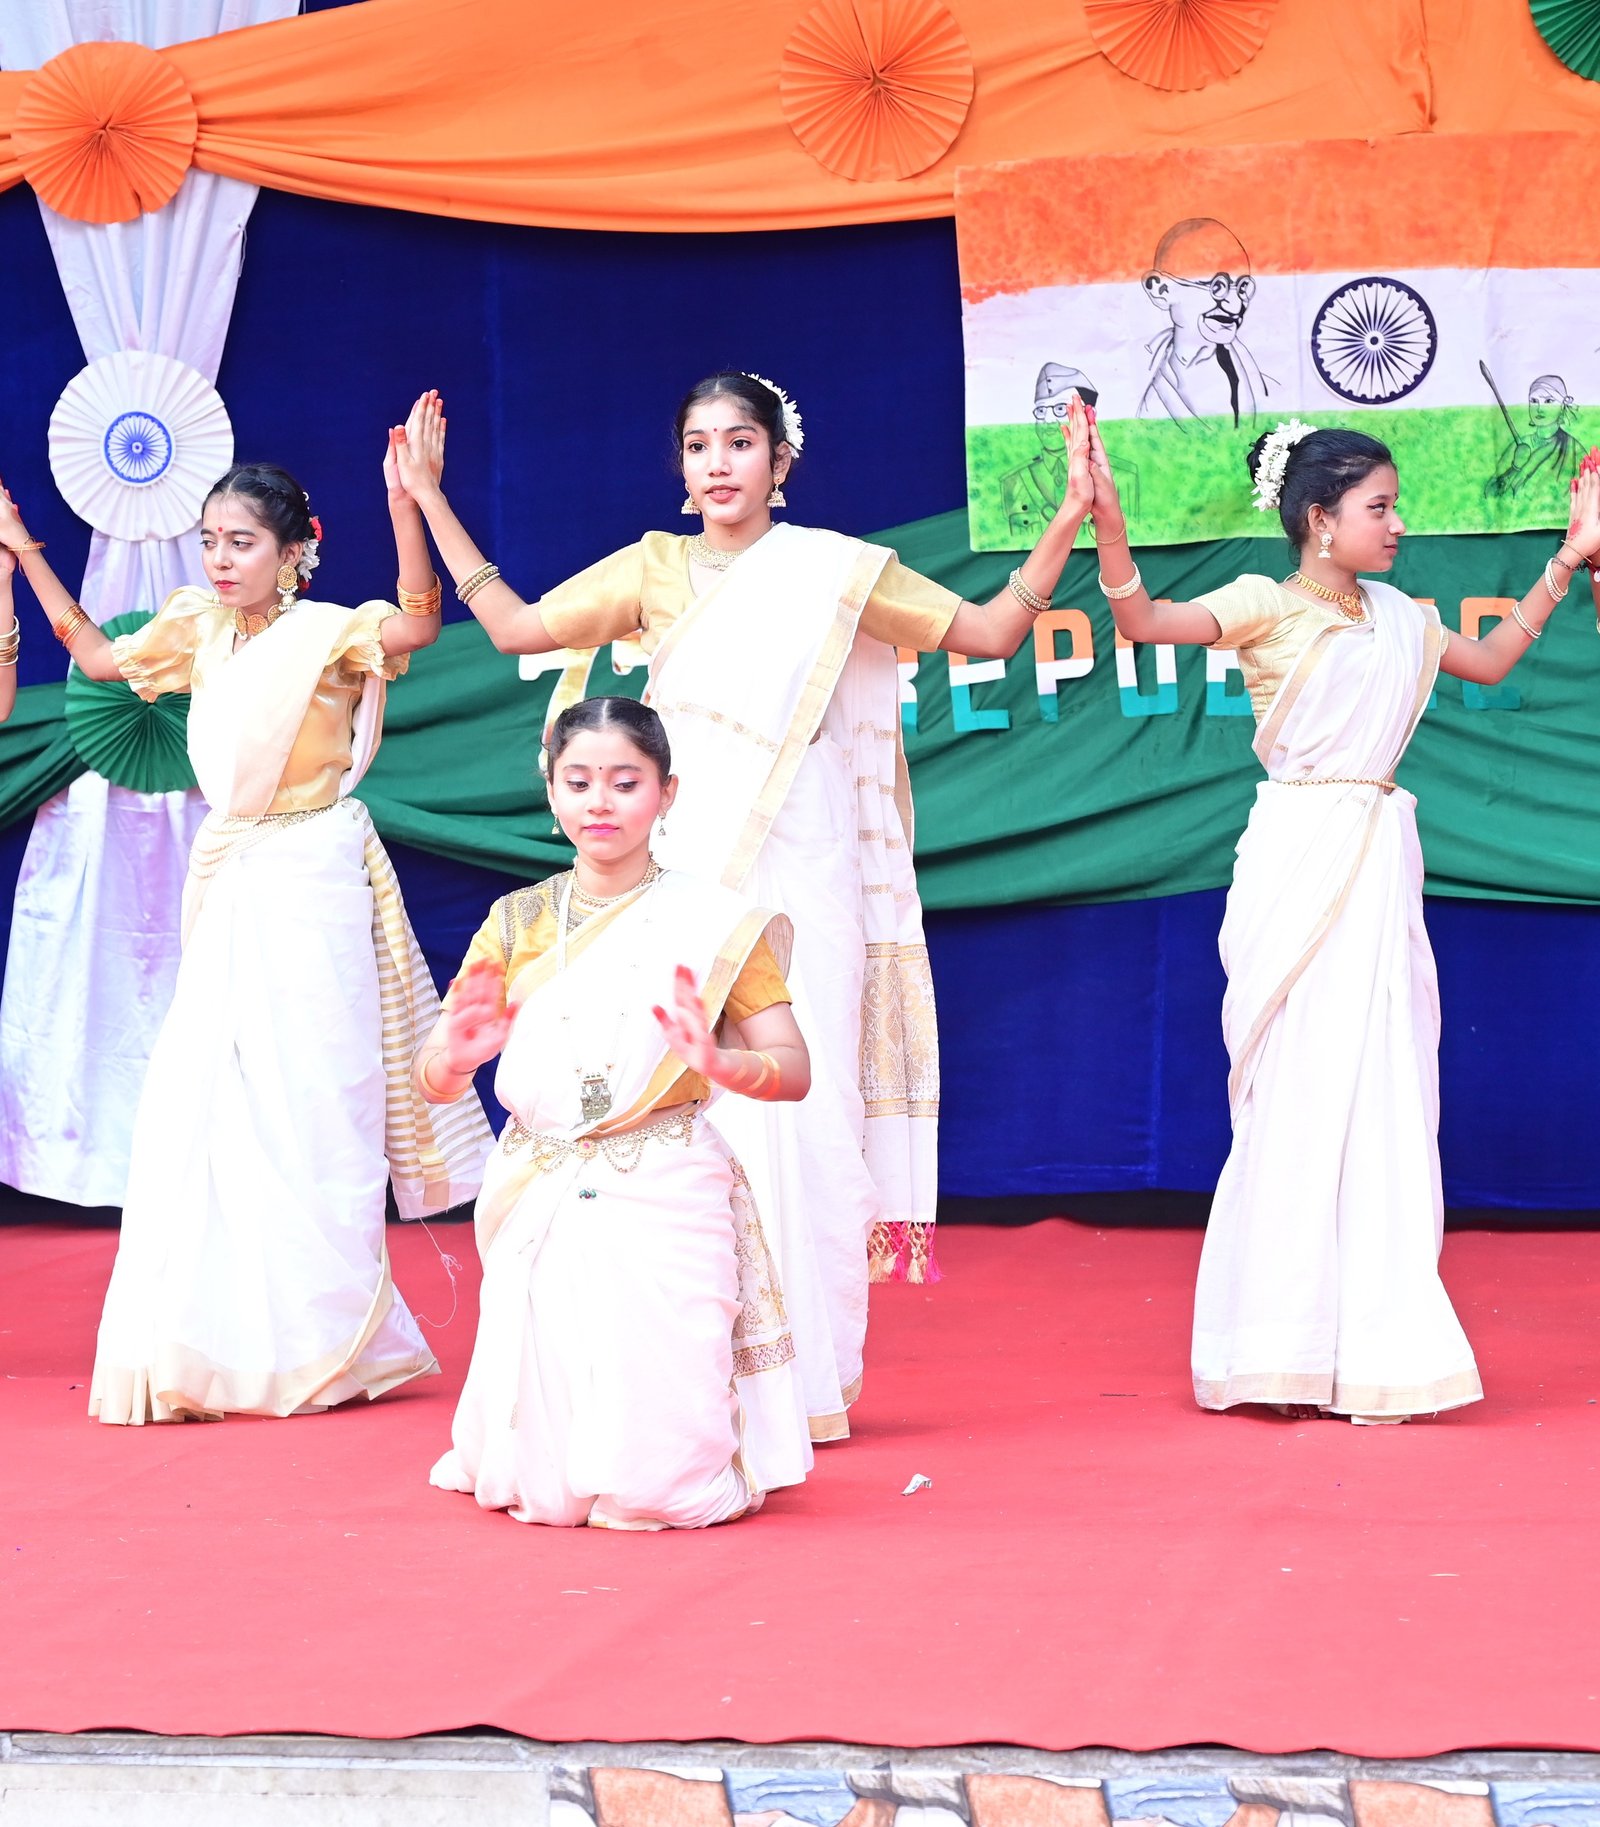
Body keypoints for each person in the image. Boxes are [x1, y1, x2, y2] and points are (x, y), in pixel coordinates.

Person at [394, 375, 1094, 1440]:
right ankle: (686, 1372)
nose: (717, 464)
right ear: (680, 466)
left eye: (738, 443)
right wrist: (430, 500)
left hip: (801, 868)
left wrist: (1071, 514)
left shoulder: (835, 571)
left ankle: (801, 1381)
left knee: (801, 1104)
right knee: (682, 1095)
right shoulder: (653, 565)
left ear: (779, 460)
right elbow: (518, 627)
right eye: (698, 445)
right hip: (684, 867)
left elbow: (994, 633)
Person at [1083, 415, 1600, 1421]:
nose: (1397, 525)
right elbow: (1141, 620)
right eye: (1379, 508)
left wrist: (1569, 557)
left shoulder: (1402, 616)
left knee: (1383, 1090)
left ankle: (1372, 1349)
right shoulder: (1263, 603)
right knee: (1298, 1092)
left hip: (1376, 863)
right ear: (1320, 519)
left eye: (1395, 507)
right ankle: (1275, 1349)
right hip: (1297, 860)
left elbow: (1492, 661)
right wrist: (1105, 519)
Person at [0, 438, 492, 1423]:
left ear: (295, 549)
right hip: (228, 871)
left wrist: (409, 503)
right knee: (211, 1102)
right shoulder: (194, 623)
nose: (220, 559)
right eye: (210, 540)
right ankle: (215, 1344)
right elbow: (98, 659)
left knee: (317, 1097)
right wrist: (23, 553)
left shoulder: (330, 632)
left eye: (242, 542)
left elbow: (418, 625)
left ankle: (325, 1344)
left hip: (314, 871)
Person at [421, 696, 812, 1528]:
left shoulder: (714, 924)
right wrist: (457, 1057)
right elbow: (434, 1075)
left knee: (660, 1478)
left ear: (667, 792)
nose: (600, 802)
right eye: (579, 781)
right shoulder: (517, 921)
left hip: (664, 1177)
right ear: (552, 790)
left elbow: (793, 1067)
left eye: (625, 782)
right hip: (538, 1179)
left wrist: (723, 1062)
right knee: (544, 1481)